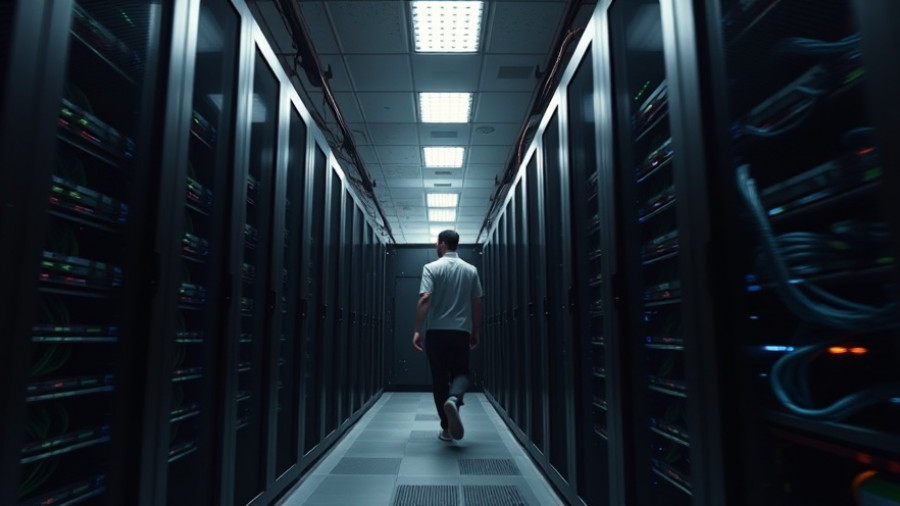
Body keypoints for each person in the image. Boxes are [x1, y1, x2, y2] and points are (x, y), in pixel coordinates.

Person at [412, 230, 483, 442]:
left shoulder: (431, 268)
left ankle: (446, 428)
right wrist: (475, 330)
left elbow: (425, 298)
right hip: (460, 332)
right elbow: (477, 303)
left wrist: (417, 328)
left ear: (442, 244)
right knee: (461, 373)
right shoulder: (471, 270)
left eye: (437, 243)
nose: (436, 246)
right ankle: (454, 398)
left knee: (439, 379)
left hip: (436, 333)